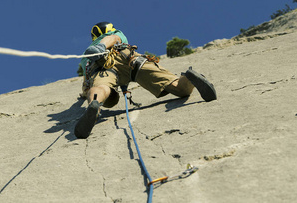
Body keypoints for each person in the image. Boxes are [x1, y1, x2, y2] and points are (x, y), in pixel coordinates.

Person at [75, 21, 217, 139]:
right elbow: (115, 39)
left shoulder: (90, 50)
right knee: (178, 88)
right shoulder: (118, 33)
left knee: (101, 87)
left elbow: (88, 79)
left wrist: (85, 94)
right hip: (130, 59)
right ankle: (188, 79)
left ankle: (94, 104)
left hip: (104, 65)